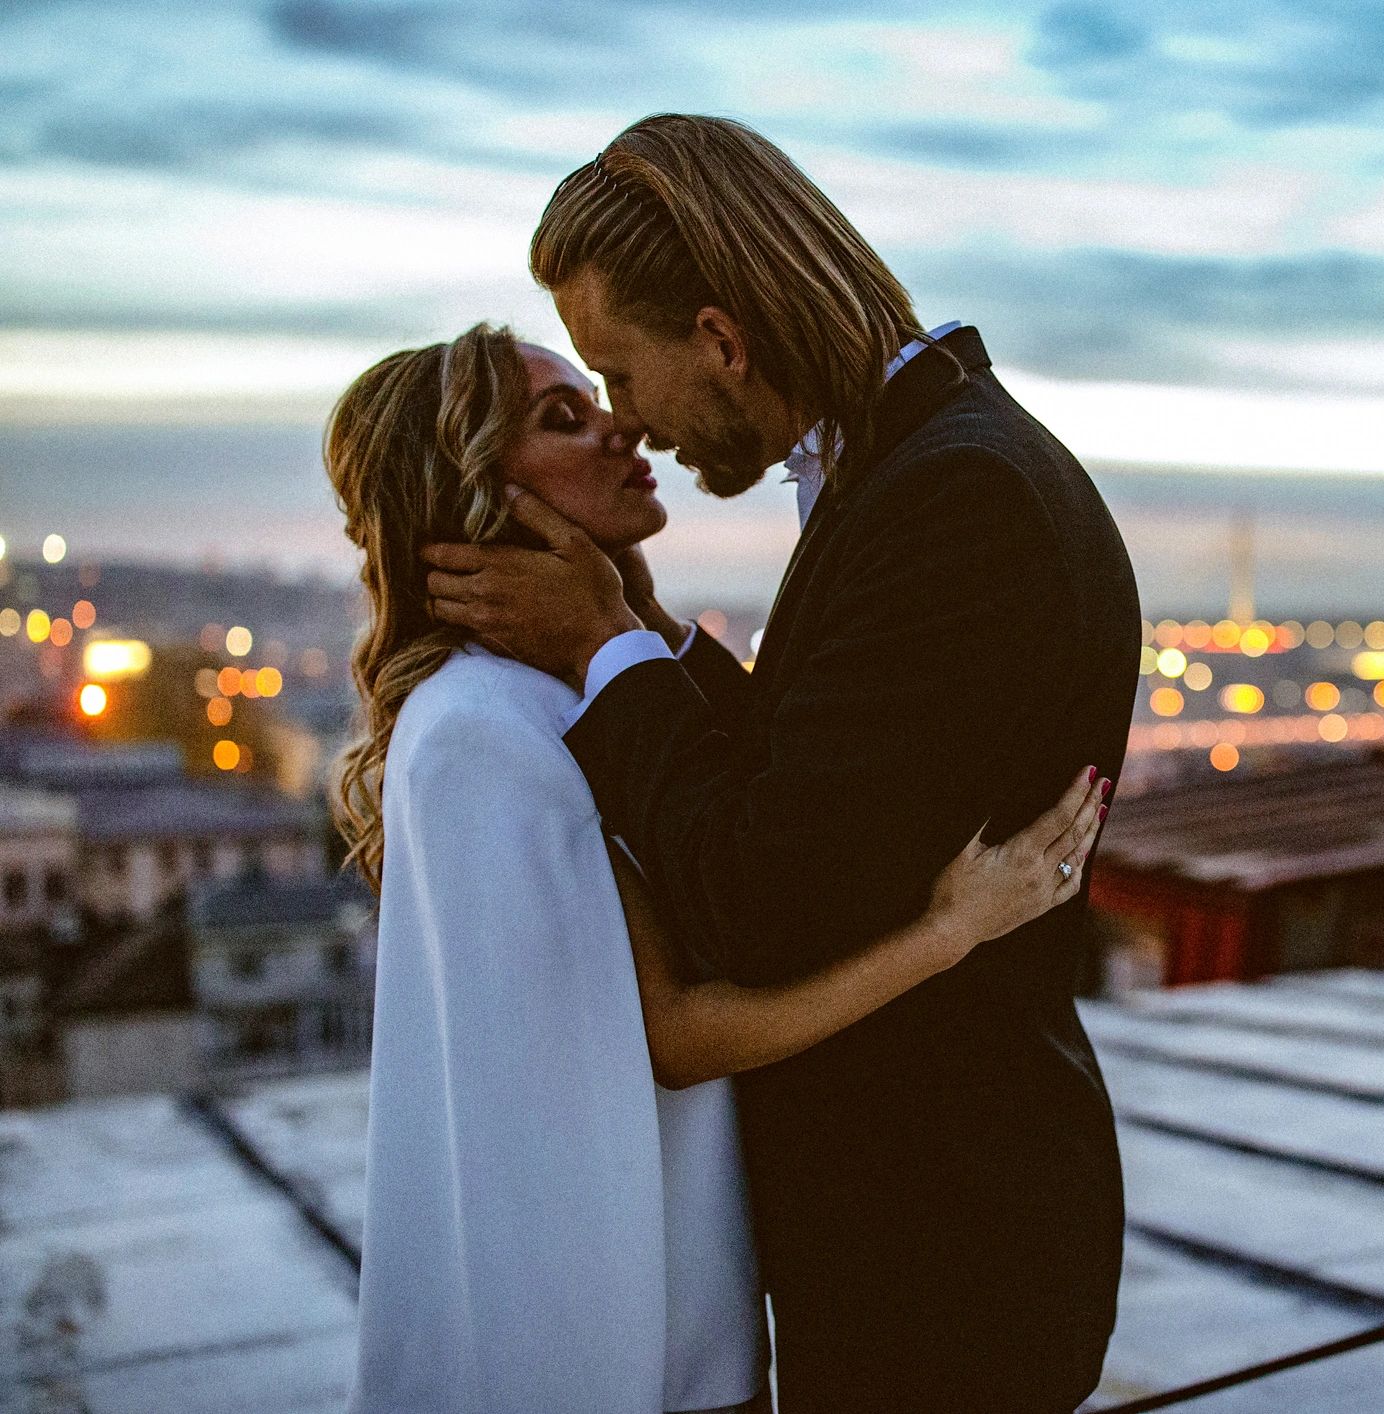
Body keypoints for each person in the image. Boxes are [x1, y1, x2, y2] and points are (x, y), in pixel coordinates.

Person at [422, 115, 1141, 1412]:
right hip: (926, 1233)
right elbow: (844, 790)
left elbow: (768, 895)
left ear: (720, 338)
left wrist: (601, 647)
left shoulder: (954, 495)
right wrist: (645, 640)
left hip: (938, 1253)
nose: (629, 422)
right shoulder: (916, 469)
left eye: (618, 374)